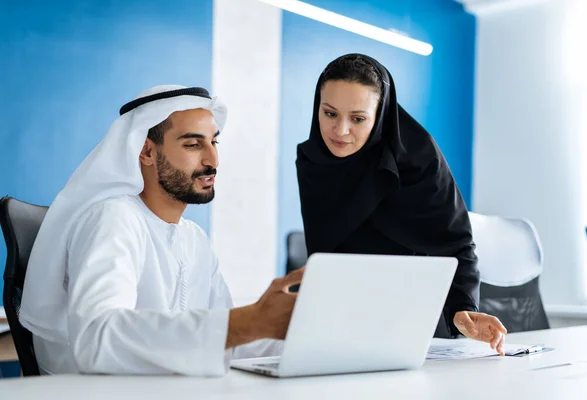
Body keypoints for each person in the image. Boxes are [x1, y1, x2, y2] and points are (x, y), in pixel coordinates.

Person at [20, 85, 303, 376]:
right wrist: (247, 322)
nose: (212, 161)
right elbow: (97, 338)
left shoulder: (194, 238)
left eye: (214, 143)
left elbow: (231, 342)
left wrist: (299, 335)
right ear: (146, 152)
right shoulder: (112, 219)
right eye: (193, 145)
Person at [296, 54, 507, 354]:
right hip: (339, 320)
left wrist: (462, 308)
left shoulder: (420, 158)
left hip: (415, 323)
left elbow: (456, 242)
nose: (340, 131)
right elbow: (325, 253)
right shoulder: (313, 161)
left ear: (380, 114)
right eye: (330, 114)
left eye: (357, 118)